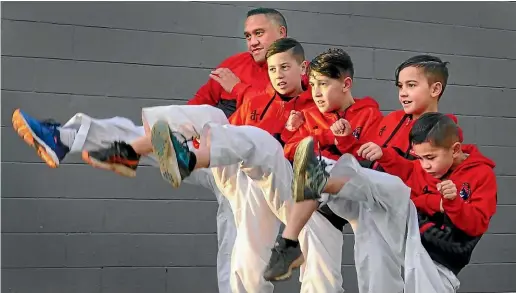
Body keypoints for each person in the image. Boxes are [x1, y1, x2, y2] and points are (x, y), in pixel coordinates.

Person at [10, 7, 289, 293]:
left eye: (259, 33)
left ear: (281, 33)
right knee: (161, 128)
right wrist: (178, 132)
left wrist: (239, 90)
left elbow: (279, 120)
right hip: (204, 156)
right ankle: (65, 138)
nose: (252, 41)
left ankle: (122, 150)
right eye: (247, 35)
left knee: (243, 256)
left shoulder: (294, 73)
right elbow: (194, 107)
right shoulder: (235, 64)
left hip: (254, 173)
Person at [141, 40, 348, 292]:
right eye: (272, 69)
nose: (278, 75)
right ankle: (164, 145)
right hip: (253, 182)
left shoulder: (317, 102)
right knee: (247, 267)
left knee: (261, 141)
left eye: (285, 67)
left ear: (302, 68)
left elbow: (333, 142)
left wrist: (296, 130)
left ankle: (188, 158)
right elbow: (230, 134)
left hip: (293, 184)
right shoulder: (257, 101)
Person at [264, 54, 463, 290]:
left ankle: (288, 241)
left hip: (402, 199)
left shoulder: (444, 128)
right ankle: (299, 228)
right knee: (373, 269)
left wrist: (386, 158)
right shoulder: (391, 120)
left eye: (411, 85)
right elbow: (362, 156)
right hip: (371, 200)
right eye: (400, 86)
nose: (403, 93)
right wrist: (346, 140)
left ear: (435, 89)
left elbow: (433, 175)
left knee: (321, 167)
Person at [290, 112, 497, 293]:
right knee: (387, 199)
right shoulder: (426, 167)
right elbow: (408, 170)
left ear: (455, 149)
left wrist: (452, 203)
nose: (425, 165)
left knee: (393, 194)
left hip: (442, 255)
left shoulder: (481, 175)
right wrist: (385, 155)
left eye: (430, 158)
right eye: (420, 158)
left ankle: (326, 177)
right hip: (411, 233)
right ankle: (324, 174)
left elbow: (475, 225)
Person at [262, 48, 383, 281]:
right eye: (313, 85)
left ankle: (288, 241)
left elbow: (370, 159)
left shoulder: (369, 115)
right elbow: (291, 150)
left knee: (374, 267)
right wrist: (327, 136)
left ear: (346, 84)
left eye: (324, 84)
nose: (316, 93)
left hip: (356, 195)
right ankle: (290, 246)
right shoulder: (308, 116)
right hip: (319, 202)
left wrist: (347, 140)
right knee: (319, 275)